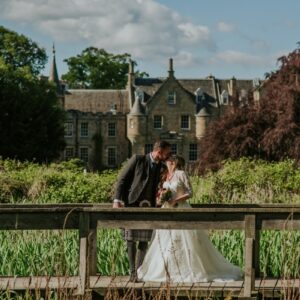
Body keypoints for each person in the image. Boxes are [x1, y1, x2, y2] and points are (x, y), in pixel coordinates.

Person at [137, 155, 243, 282]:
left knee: (185, 241)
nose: (166, 161)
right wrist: (161, 198)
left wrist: (175, 199)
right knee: (165, 242)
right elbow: (161, 191)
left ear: (173, 162)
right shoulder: (166, 174)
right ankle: (166, 271)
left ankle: (189, 270)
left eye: (169, 160)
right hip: (167, 210)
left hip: (181, 209)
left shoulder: (181, 174)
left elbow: (190, 192)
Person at [113, 140, 172, 282]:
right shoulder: (137, 159)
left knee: (144, 240)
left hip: (149, 207)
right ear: (159, 151)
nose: (169, 154)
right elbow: (122, 179)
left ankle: (139, 271)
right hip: (132, 204)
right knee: (130, 239)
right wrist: (117, 200)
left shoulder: (160, 166)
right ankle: (133, 273)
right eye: (167, 152)